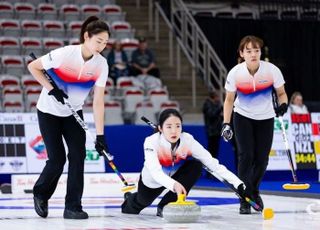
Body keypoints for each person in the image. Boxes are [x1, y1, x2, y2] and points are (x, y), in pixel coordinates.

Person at [27, 16, 110, 219]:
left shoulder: (101, 65)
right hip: (48, 111)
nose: (102, 46)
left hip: (73, 112)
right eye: (98, 41)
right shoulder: (65, 53)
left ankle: (72, 206)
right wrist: (51, 89)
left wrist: (100, 136)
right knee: (57, 159)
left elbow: (98, 101)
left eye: (105, 43)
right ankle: (41, 193)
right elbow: (33, 67)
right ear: (86, 37)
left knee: (78, 157)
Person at [121, 108, 246, 217]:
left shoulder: (187, 140)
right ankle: (130, 198)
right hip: (152, 182)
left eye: (178, 126)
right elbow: (155, 172)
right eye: (169, 127)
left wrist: (238, 183)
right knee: (140, 203)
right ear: (160, 128)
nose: (174, 131)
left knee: (196, 165)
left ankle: (166, 206)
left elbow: (212, 163)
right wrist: (174, 184)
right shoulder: (151, 142)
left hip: (175, 175)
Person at [221, 35, 288, 214]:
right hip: (242, 116)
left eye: (256, 50)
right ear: (242, 53)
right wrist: (226, 124)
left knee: (262, 159)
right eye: (249, 51)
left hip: (266, 118)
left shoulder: (272, 70)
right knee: (246, 155)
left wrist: (283, 105)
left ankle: (253, 190)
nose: (253, 54)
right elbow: (229, 100)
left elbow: (281, 93)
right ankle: (245, 198)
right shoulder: (235, 73)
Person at [202, 90, 223, 159]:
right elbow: (211, 115)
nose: (219, 98)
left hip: (217, 131)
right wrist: (220, 109)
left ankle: (214, 167)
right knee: (211, 151)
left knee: (215, 151)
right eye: (218, 96)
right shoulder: (207, 104)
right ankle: (210, 168)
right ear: (214, 97)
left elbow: (219, 117)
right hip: (211, 131)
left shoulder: (216, 104)